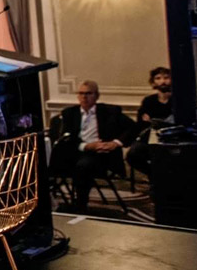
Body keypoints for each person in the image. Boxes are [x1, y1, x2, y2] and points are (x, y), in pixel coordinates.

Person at [52, 80, 136, 215]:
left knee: (84, 165)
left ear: (97, 96)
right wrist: (86, 146)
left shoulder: (110, 112)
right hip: (79, 149)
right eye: (81, 93)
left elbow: (133, 127)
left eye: (89, 93)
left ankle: (81, 205)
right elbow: (66, 139)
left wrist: (115, 143)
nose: (84, 97)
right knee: (52, 159)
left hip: (102, 153)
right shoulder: (69, 113)